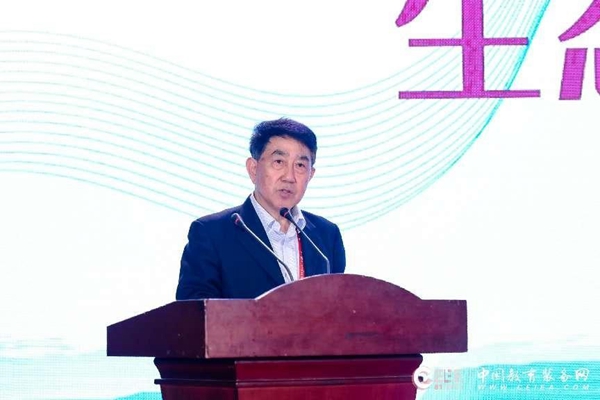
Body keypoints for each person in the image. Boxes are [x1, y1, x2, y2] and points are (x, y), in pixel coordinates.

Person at [176, 117, 346, 299]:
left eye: (300, 165)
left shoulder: (326, 236)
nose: (289, 177)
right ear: (253, 169)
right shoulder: (211, 233)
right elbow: (193, 311)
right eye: (279, 162)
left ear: (311, 174)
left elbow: (339, 307)